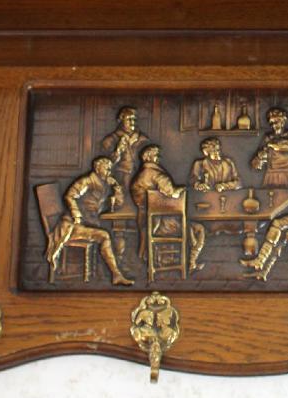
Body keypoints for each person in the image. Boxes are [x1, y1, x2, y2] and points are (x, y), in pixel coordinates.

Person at [48, 157, 134, 286]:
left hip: (88, 223)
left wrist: (117, 189)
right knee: (104, 236)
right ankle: (116, 275)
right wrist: (76, 213)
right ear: (97, 168)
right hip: (72, 226)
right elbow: (70, 195)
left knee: (106, 236)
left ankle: (112, 273)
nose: (109, 171)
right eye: (106, 168)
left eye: (110, 168)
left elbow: (117, 205)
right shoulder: (87, 181)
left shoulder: (105, 185)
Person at [131, 145, 207, 270]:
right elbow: (173, 193)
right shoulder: (157, 175)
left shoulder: (140, 175)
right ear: (150, 157)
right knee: (199, 229)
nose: (158, 159)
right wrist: (182, 189)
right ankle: (192, 261)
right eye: (156, 156)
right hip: (163, 224)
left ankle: (180, 258)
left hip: (145, 221)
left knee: (190, 228)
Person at [251, 107, 288, 189]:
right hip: (270, 177)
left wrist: (282, 145)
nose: (274, 125)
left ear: (283, 121)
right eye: (271, 123)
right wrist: (259, 158)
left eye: (276, 122)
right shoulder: (268, 138)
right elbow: (256, 163)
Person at [101, 106, 150, 190]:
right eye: (128, 119)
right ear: (121, 121)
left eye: (134, 119)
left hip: (140, 177)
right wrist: (118, 151)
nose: (132, 122)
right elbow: (103, 164)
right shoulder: (110, 140)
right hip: (119, 177)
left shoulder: (143, 139)